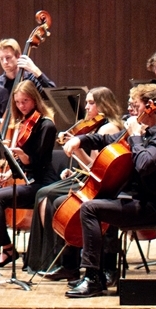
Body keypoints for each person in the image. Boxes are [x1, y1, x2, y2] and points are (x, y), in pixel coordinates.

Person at [61, 84, 156, 298]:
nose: (132, 112)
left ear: (150, 107)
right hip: (140, 201)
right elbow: (106, 139)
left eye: (136, 106)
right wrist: (79, 139)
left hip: (155, 207)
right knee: (100, 200)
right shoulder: (146, 132)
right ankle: (102, 272)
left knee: (91, 209)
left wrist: (135, 137)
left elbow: (144, 165)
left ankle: (93, 278)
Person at [28, 87, 123, 280]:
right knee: (52, 198)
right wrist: (74, 167)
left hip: (104, 186)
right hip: (90, 180)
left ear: (103, 104)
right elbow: (92, 167)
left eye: (91, 103)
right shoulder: (97, 127)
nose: (86, 107)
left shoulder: (108, 129)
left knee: (58, 200)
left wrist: (78, 149)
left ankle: (72, 263)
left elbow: (97, 169)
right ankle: (67, 263)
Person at [0, 80, 59, 268]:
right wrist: (8, 174)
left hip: (43, 184)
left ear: (34, 100)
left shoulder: (46, 126)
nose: (21, 106)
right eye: (17, 102)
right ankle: (8, 248)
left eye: (25, 101)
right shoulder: (24, 123)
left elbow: (39, 163)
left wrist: (25, 157)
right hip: (30, 181)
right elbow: (19, 160)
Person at [0, 38, 55, 116]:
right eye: (1, 59)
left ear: (18, 56)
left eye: (8, 57)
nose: (4, 62)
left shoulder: (32, 79)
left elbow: (53, 98)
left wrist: (36, 71)